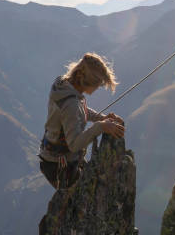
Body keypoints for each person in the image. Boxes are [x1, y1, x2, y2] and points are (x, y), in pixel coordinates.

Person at [38, 52, 125, 189]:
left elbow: (78, 111)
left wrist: (101, 117)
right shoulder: (70, 103)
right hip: (60, 166)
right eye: (98, 84)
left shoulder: (64, 85)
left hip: (53, 157)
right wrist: (100, 126)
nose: (98, 88)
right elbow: (74, 144)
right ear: (86, 82)